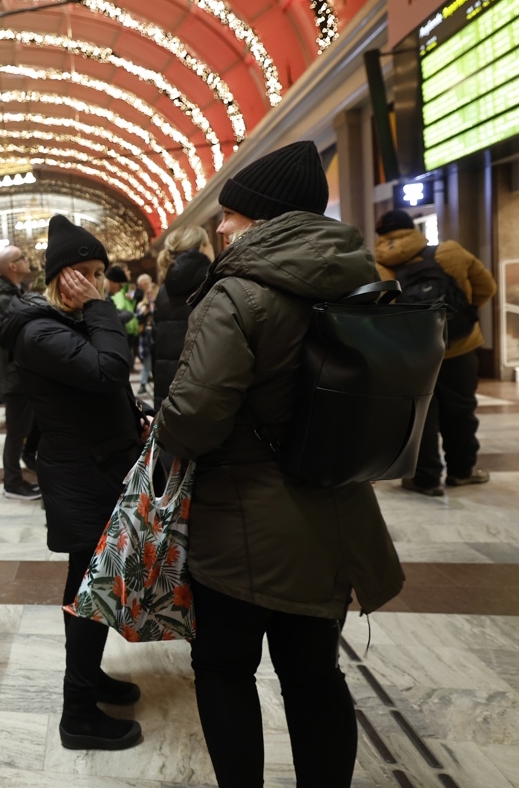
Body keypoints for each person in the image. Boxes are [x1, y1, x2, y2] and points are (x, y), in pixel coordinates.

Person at [156, 141, 405, 787]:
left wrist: (164, 423)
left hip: (243, 524)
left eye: (232, 216)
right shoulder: (362, 279)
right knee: (315, 674)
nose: (222, 227)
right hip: (337, 511)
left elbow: (196, 417)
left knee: (223, 669)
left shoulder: (238, 293)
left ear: (264, 219)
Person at [0, 215, 145, 751]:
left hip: (97, 468)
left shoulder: (69, 322)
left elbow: (102, 388)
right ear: (58, 277)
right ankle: (77, 712)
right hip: (81, 475)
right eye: (80, 272)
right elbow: (108, 370)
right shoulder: (39, 331)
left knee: (93, 586)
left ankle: (90, 678)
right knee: (87, 590)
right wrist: (100, 308)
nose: (92, 282)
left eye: (99, 272)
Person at [375, 210, 497, 497]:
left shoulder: (377, 265)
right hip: (460, 348)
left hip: (413, 356)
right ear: (412, 228)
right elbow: (487, 287)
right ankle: (462, 472)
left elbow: (379, 313)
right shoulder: (450, 251)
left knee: (421, 415)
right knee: (461, 411)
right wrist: (463, 316)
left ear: (380, 235)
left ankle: (425, 478)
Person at [0, 246, 41, 500]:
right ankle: (12, 482)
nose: (27, 260)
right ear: (12, 267)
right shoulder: (1, 299)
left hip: (22, 371)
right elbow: (7, 337)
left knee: (25, 428)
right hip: (15, 373)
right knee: (16, 432)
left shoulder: (13, 292)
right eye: (22, 258)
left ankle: (24, 469)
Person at [152, 226, 213, 411]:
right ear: (203, 248)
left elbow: (156, 345)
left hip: (168, 390)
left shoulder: (163, 291)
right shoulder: (211, 285)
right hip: (202, 392)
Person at [134, 273, 156, 395]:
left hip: (156, 337)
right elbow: (137, 317)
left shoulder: (157, 303)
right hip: (145, 338)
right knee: (146, 361)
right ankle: (143, 384)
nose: (149, 294)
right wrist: (144, 312)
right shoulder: (141, 304)